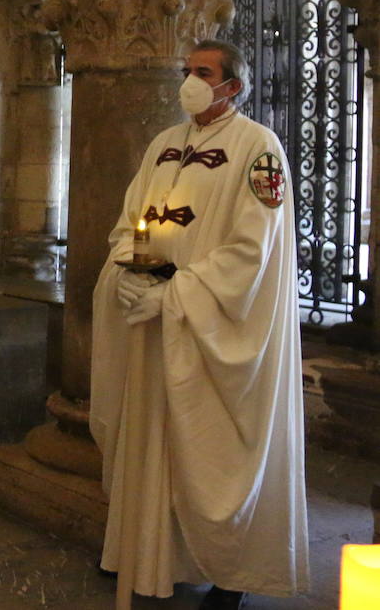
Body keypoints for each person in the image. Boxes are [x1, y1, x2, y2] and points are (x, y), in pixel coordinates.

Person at [90, 39, 309, 609]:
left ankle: (228, 571)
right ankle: (149, 552)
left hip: (207, 326)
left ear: (232, 86)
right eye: (186, 70)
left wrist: (177, 293)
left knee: (207, 450)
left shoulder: (258, 149)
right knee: (150, 439)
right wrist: (129, 274)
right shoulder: (164, 144)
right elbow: (128, 223)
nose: (188, 79)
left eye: (202, 72)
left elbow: (250, 253)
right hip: (154, 323)